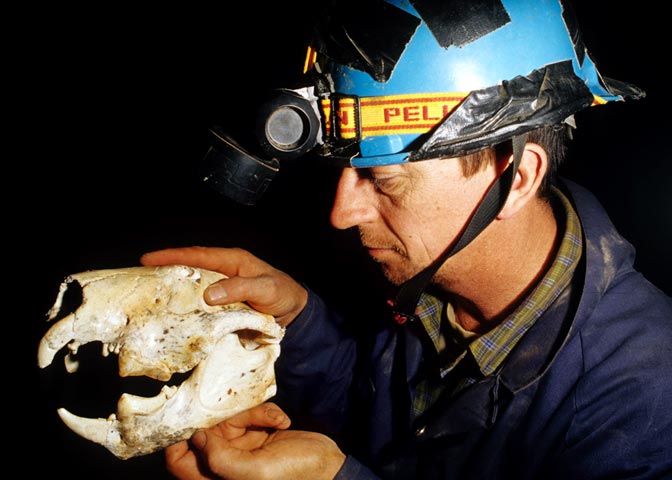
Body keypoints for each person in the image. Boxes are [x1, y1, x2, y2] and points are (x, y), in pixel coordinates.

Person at [140, 0, 672, 478]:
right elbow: (374, 402)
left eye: (384, 180)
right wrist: (296, 322)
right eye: (345, 174)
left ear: (517, 178)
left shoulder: (647, 401)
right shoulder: (432, 279)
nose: (341, 214)